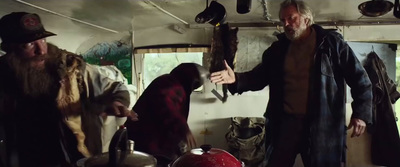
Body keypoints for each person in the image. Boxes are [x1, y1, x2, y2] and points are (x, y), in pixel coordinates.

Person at [210, 0, 372, 166]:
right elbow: (258, 77)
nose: (286, 24)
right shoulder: (277, 50)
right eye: (282, 20)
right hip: (285, 124)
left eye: (291, 18)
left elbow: (360, 79)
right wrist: (236, 79)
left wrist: (361, 113)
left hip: (322, 126)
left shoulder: (331, 45)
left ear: (306, 19)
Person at [0, 12, 138, 167]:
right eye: (29, 44)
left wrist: (118, 101)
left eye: (43, 40)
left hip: (71, 158)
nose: (41, 50)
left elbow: (116, 88)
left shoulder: (73, 69)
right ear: (8, 49)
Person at [124, 63, 209, 166]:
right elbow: (167, 106)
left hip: (149, 142)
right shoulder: (170, 84)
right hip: (146, 142)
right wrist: (183, 129)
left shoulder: (172, 83)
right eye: (197, 84)